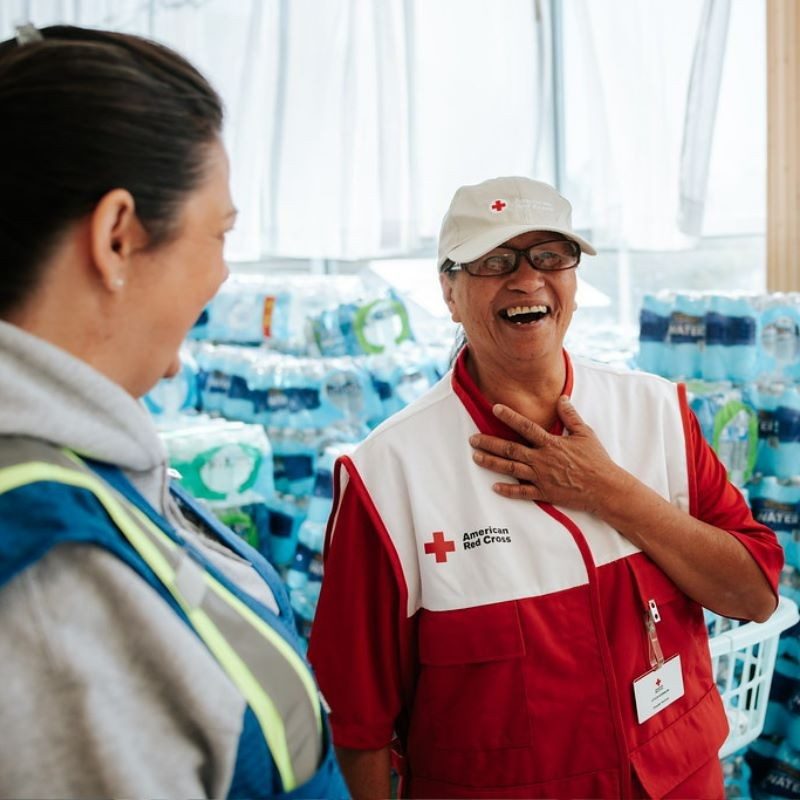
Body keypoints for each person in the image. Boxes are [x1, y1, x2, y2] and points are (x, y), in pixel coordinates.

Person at [308, 176, 783, 799]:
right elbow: (358, 718)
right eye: (494, 262)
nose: (527, 279)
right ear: (449, 293)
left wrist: (609, 491)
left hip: (676, 782)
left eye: (550, 256)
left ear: (574, 282)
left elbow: (754, 594)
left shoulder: (657, 412)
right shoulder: (388, 474)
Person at [0, 24, 347, 799]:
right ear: (117, 237)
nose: (224, 274)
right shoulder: (54, 580)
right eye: (218, 233)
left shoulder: (82, 461)